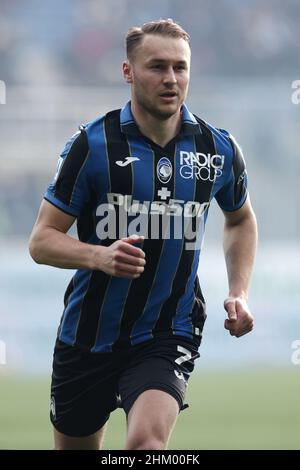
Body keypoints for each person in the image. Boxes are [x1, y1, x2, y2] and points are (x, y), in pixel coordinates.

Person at [29, 19, 257, 450]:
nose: (171, 79)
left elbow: (241, 218)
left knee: (145, 447)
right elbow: (41, 240)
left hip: (168, 333)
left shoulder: (218, 149)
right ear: (128, 72)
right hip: (87, 337)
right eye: (157, 66)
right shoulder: (91, 145)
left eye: (180, 67)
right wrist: (98, 256)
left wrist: (239, 291)